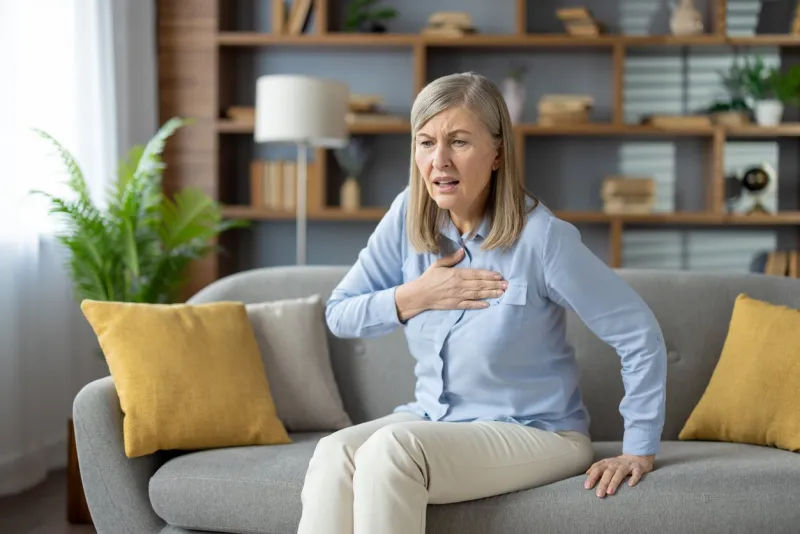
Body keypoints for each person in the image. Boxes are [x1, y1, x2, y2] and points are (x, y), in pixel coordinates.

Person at [296, 72, 667, 534]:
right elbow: (340, 313)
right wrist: (417, 295)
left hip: (537, 432)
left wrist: (639, 448)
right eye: (426, 142)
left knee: (393, 450)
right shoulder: (407, 214)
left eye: (459, 142)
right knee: (334, 452)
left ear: (497, 153)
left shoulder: (542, 238)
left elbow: (638, 334)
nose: (439, 161)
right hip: (433, 417)